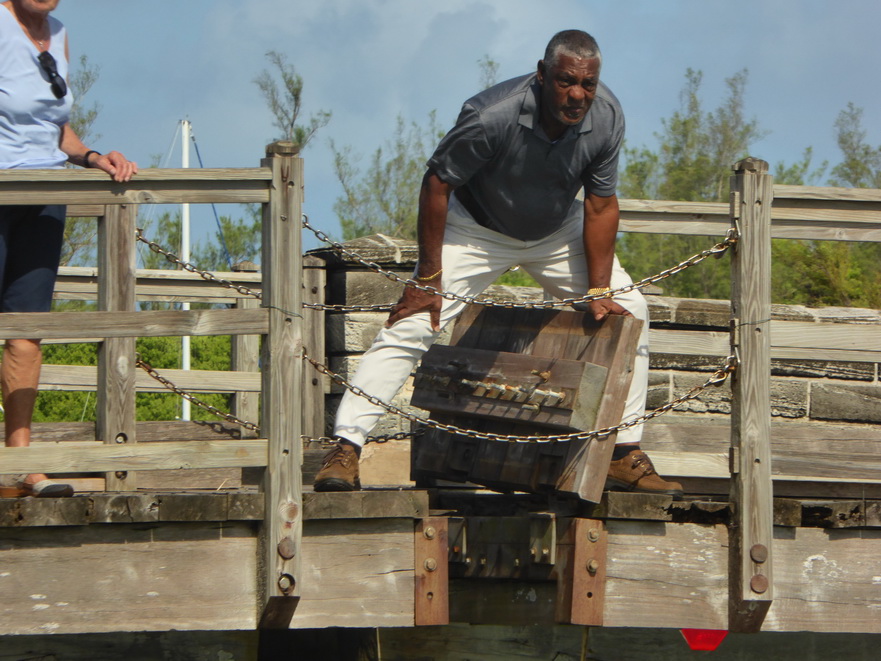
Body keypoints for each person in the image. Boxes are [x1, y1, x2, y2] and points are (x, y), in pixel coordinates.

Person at [314, 29, 682, 498]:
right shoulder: (491, 114)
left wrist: (598, 290)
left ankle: (622, 451)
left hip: (555, 230)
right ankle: (346, 447)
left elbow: (600, 205)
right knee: (412, 324)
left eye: (587, 84)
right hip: (477, 228)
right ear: (542, 75)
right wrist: (428, 278)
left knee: (632, 312)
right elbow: (437, 185)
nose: (577, 95)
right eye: (566, 81)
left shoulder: (606, 117)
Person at [0, 0, 137, 498]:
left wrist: (94, 156)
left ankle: (23, 465)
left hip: (43, 196)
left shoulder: (57, 32)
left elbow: (56, 128)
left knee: (27, 330)